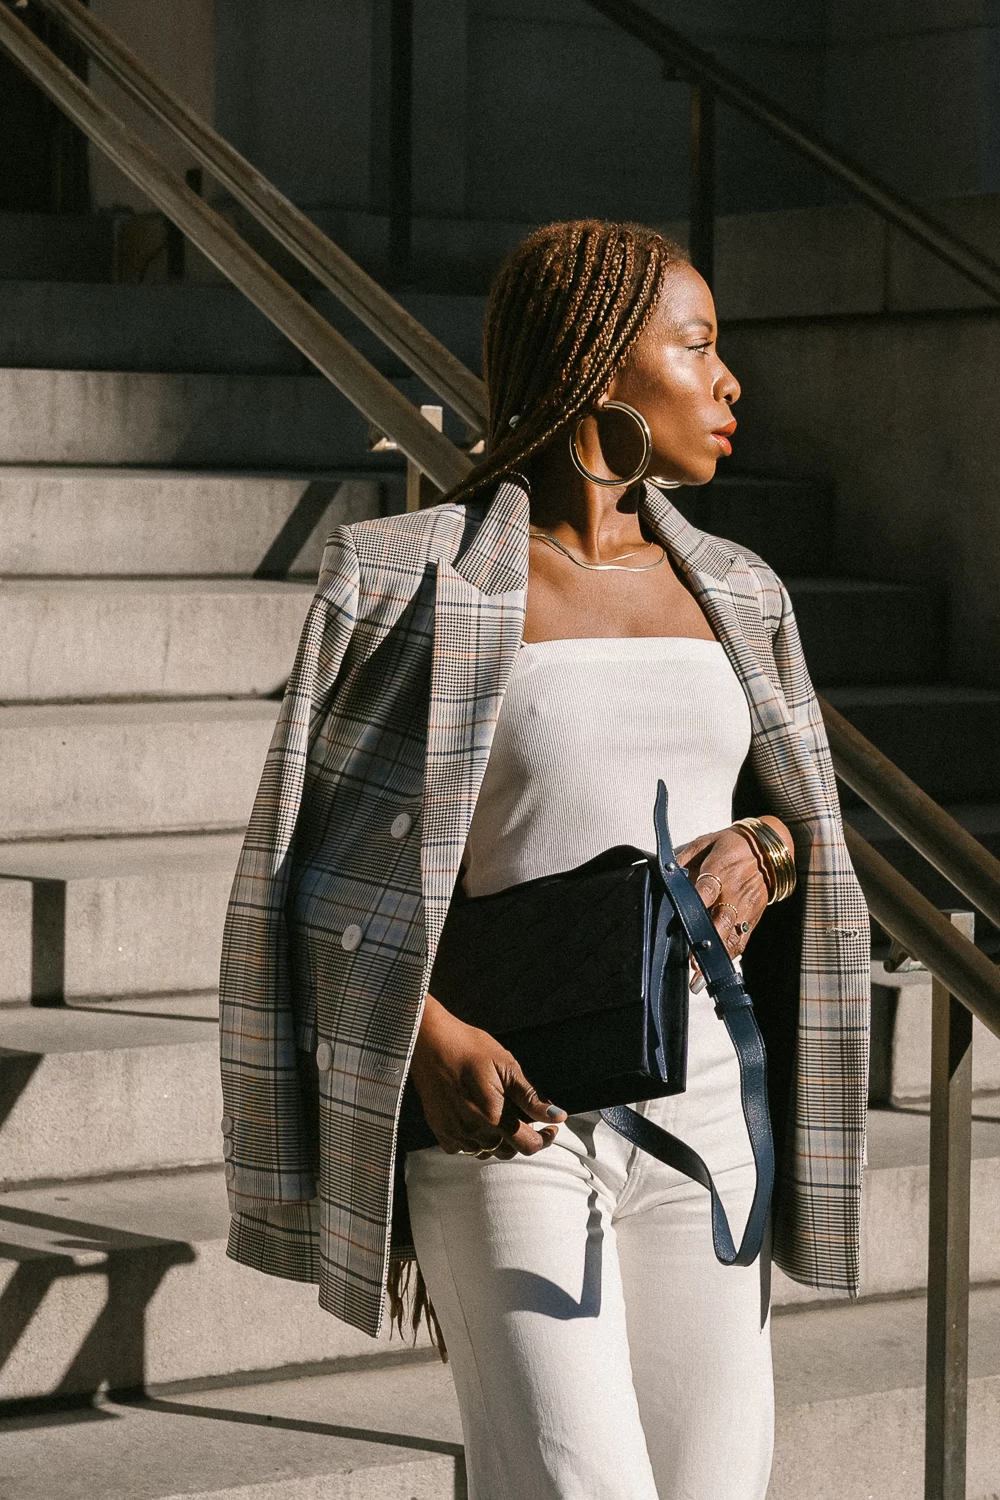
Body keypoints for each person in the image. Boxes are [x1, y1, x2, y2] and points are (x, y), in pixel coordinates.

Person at [219, 219, 871, 1500]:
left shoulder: (741, 590)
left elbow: (805, 825)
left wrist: (768, 847)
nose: (728, 380)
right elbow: (302, 872)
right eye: (696, 346)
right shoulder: (402, 578)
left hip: (705, 1103)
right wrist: (424, 1037)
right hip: (508, 1115)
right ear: (597, 367)